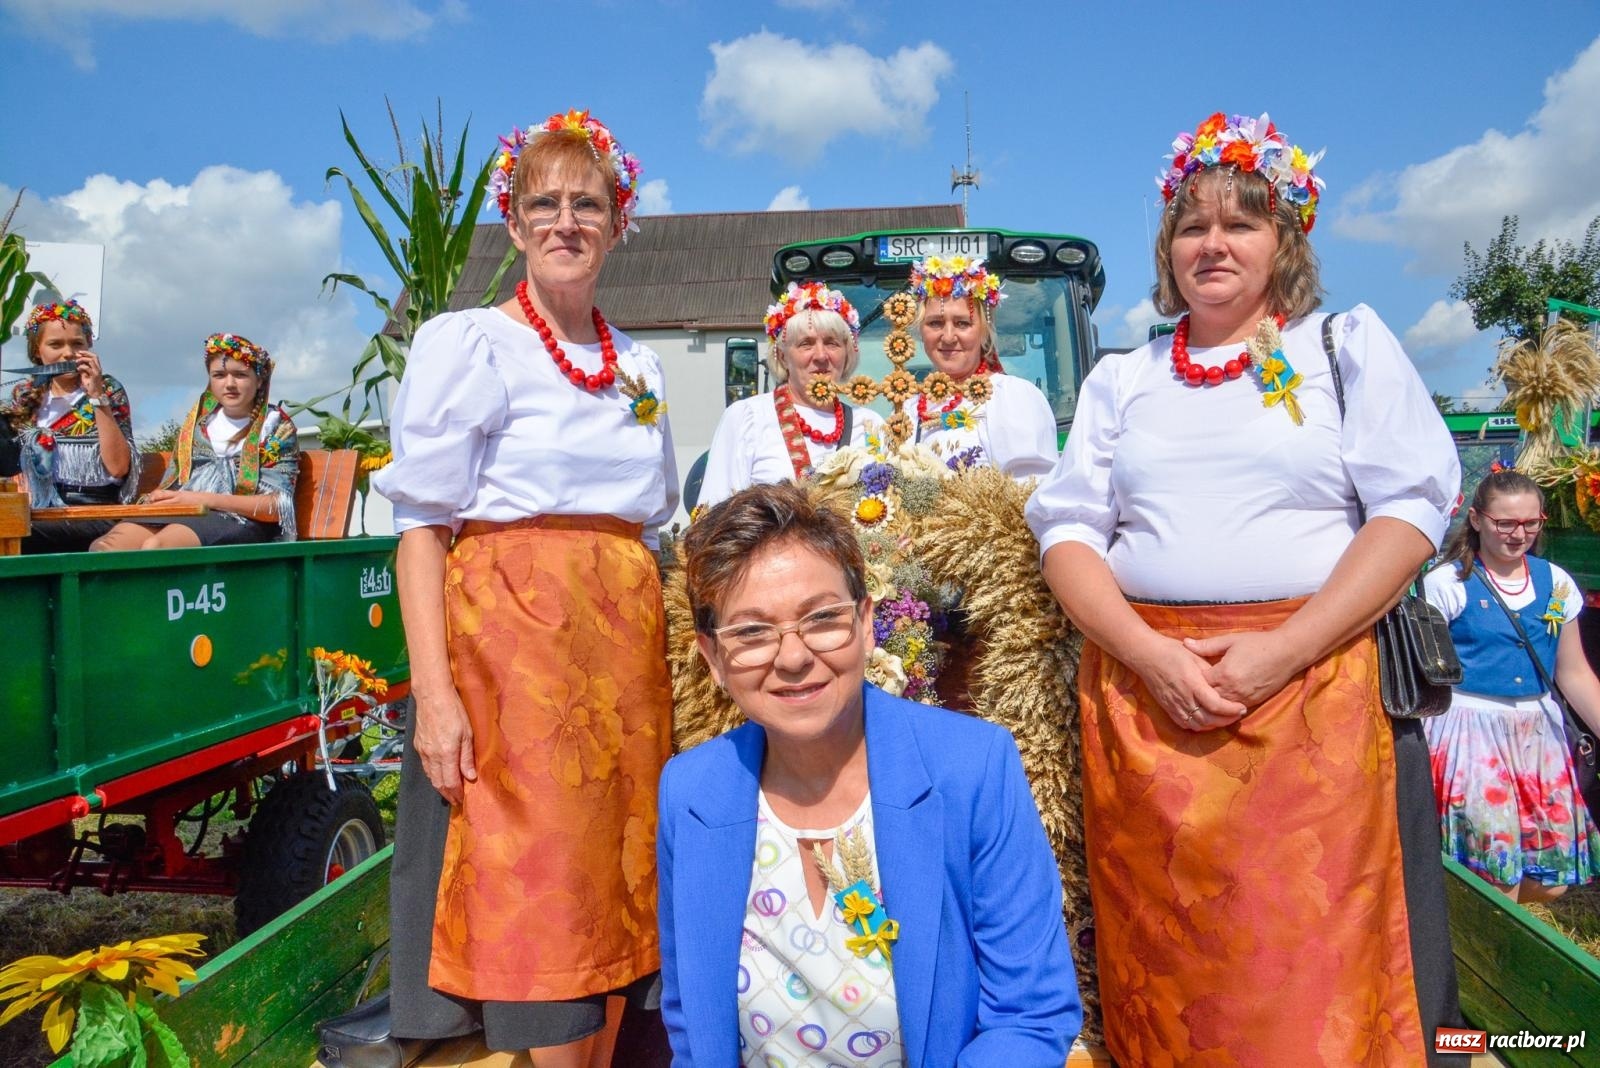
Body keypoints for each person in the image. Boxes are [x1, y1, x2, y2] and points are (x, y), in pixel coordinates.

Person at [1026, 112, 1463, 1064]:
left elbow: (1411, 510)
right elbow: (1066, 532)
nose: (1212, 244)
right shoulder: (1122, 378)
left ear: (1285, 241)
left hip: (1315, 694)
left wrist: (1284, 648)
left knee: (1310, 965)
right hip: (1150, 709)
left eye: (1242, 223)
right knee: (1177, 966)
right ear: (1166, 248)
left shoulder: (1344, 347)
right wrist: (1145, 654)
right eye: (1192, 225)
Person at [370, 109, 673, 1067]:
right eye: (542, 203)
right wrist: (436, 696)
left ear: (619, 220)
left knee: (617, 883)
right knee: (539, 886)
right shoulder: (470, 344)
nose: (565, 221)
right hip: (516, 666)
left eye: (587, 203)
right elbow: (421, 531)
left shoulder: (643, 365)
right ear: (514, 222)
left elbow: (651, 526)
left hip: (623, 664)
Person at [660, 481, 1081, 1065]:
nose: (793, 656)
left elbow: (1030, 1012)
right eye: (752, 632)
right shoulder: (692, 792)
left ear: (864, 621)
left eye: (822, 619)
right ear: (712, 657)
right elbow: (690, 1018)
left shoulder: (970, 770)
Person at [1423, 469, 1600, 901]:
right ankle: (1483, 951)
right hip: (1470, 729)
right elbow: (1424, 674)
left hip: (1538, 731)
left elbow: (1572, 672)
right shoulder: (1447, 583)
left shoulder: (1556, 582)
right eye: (1505, 523)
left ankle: (1479, 924)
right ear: (1478, 520)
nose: (1518, 534)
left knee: (1554, 880)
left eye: (1530, 523)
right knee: (1496, 873)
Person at [91, 333, 296, 550]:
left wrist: (201, 499)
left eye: (240, 375)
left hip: (240, 518)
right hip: (187, 510)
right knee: (105, 548)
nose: (229, 384)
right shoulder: (197, 425)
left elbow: (276, 507)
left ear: (260, 379)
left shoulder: (275, 427)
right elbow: (177, 480)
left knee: (157, 546)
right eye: (219, 375)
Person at [696, 282, 883, 509]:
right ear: (783, 357)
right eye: (806, 344)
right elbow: (713, 516)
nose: (821, 355)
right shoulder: (748, 418)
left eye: (832, 343)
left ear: (847, 353)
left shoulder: (870, 424)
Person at [2, 300, 138, 552]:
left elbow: (119, 468)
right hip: (35, 511)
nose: (68, 353)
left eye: (77, 344)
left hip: (91, 513)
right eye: (55, 344)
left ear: (89, 347)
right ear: (37, 351)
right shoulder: (23, 395)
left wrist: (97, 395)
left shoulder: (108, 389)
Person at [902, 255, 1057, 478]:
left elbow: (1031, 493)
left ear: (984, 330)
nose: (948, 337)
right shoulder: (911, 407)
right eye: (935, 323)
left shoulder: (1011, 397)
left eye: (962, 323)